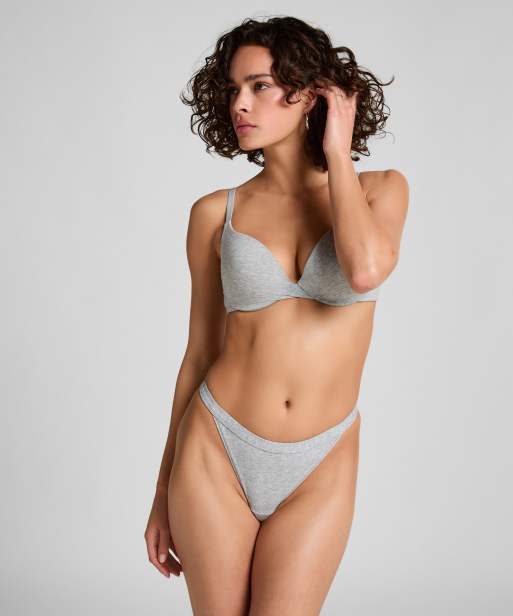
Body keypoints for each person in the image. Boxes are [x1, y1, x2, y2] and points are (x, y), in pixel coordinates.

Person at [144, 15, 409, 615]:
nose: (239, 103)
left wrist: (337, 151)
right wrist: (161, 491)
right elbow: (199, 352)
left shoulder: (381, 190)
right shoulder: (214, 213)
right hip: (216, 448)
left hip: (321, 460)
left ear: (311, 93)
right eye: (233, 89)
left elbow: (365, 270)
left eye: (259, 86)